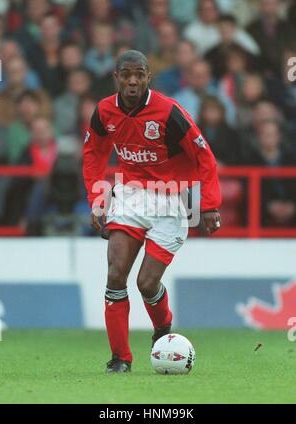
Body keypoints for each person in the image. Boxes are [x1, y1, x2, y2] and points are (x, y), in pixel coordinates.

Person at [82, 50, 222, 373]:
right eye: (126, 74)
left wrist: (210, 205)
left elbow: (204, 156)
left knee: (146, 283)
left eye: (140, 74)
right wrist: (97, 197)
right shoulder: (104, 111)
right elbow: (93, 154)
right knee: (116, 274)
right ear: (116, 77)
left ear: (149, 77)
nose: (133, 81)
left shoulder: (169, 112)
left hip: (171, 200)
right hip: (130, 196)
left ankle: (163, 328)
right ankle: (120, 359)